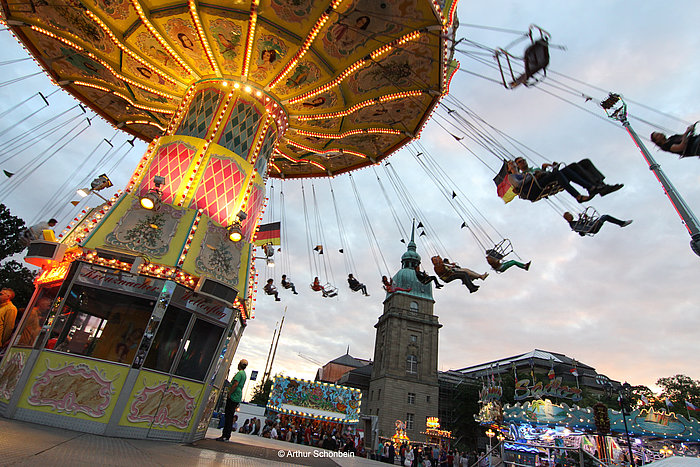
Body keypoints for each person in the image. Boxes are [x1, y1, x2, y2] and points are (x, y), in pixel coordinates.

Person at [216, 359, 247, 441]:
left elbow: (235, 384)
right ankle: (227, 434)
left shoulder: (239, 373)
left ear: (239, 364)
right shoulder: (244, 374)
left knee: (228, 415)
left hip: (233, 396)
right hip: (238, 396)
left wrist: (230, 393)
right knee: (230, 415)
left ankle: (225, 435)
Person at [563, 211, 632, 236]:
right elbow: (582, 231)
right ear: (567, 218)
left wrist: (585, 218)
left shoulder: (574, 223)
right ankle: (622, 223)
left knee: (603, 217)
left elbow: (583, 226)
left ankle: (622, 223)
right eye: (570, 215)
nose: (571, 216)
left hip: (592, 227)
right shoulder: (573, 225)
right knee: (605, 217)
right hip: (592, 228)